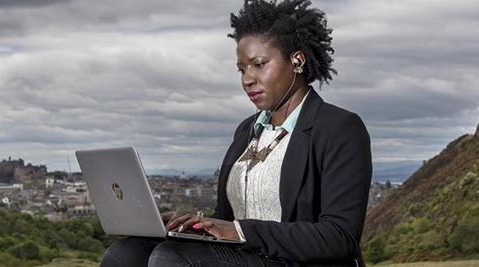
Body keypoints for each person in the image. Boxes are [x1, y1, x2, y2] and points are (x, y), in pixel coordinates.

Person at [100, 0, 371, 266]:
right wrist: (195, 225)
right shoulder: (247, 130)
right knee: (125, 253)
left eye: (259, 64)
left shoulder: (340, 128)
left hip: (293, 261)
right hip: (244, 255)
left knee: (171, 257)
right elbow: (226, 217)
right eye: (242, 69)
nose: (247, 79)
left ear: (297, 60)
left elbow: (339, 237)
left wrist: (240, 231)